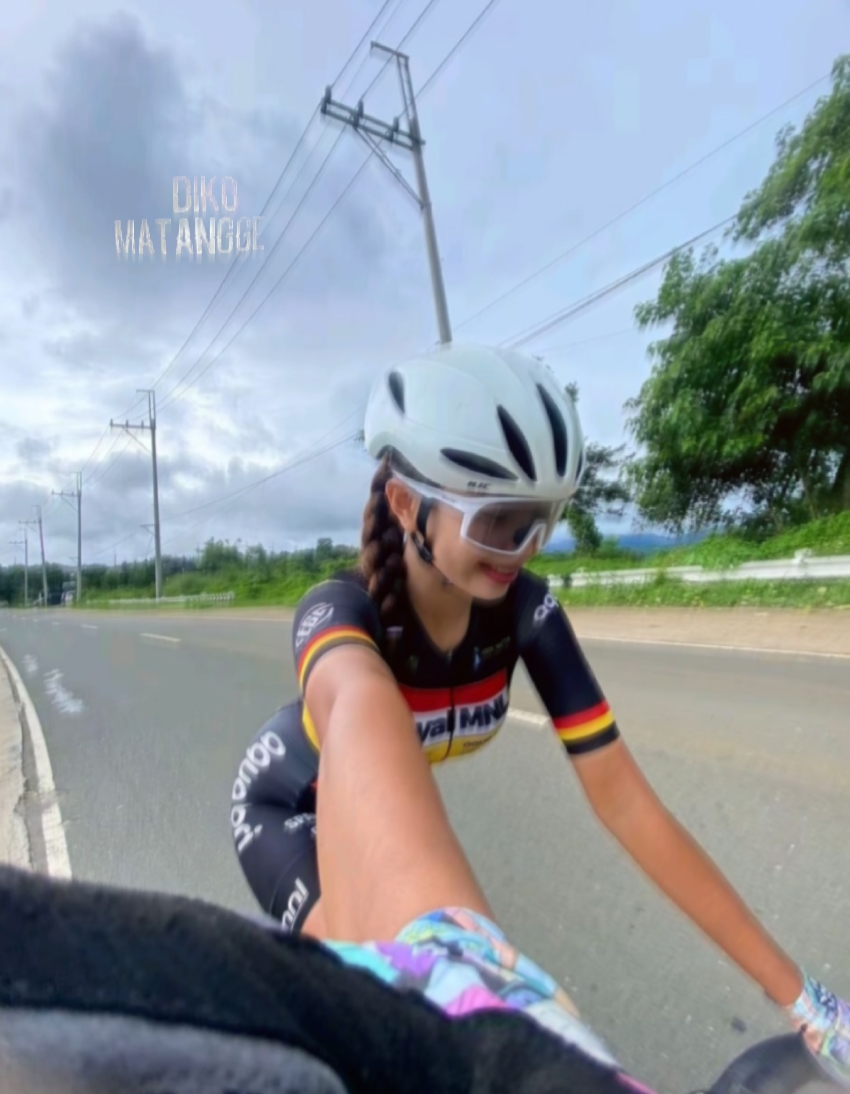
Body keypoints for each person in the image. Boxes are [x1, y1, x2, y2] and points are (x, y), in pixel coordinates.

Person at [230, 341, 849, 1087]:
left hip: (368, 806)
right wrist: (465, 970)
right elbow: (361, 711)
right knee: (375, 1023)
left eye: (543, 520)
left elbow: (627, 803)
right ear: (405, 504)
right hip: (292, 810)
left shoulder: (524, 610)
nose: (522, 549)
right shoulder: (339, 610)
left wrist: (806, 1002)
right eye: (498, 521)